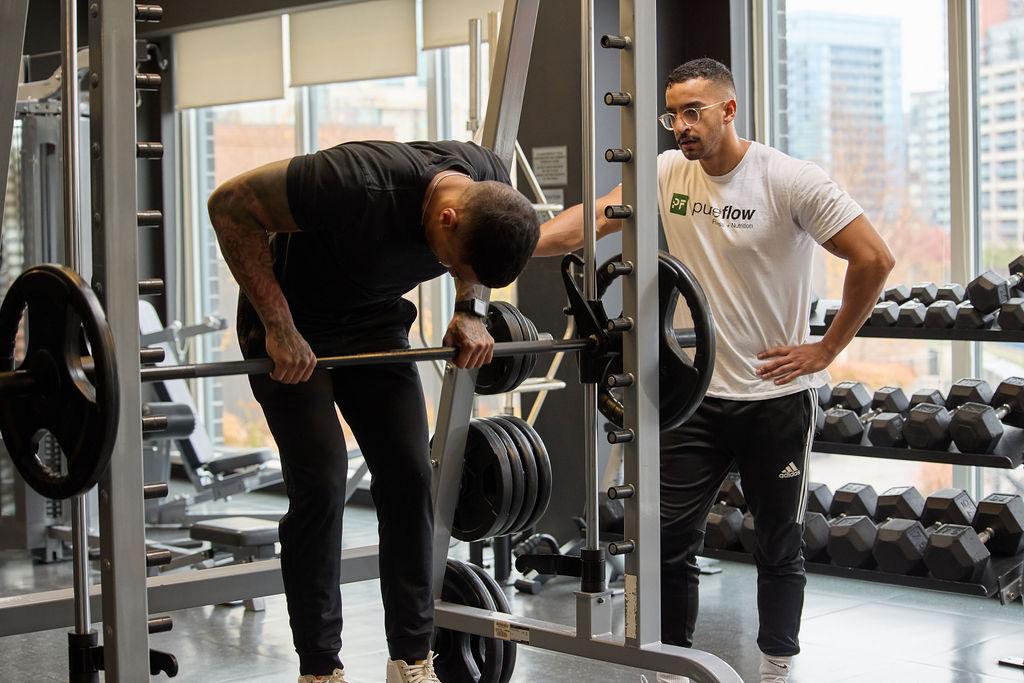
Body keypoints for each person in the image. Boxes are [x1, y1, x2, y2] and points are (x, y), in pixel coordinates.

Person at [535, 58, 894, 682]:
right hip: (696, 397)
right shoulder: (669, 172)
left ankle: (777, 663)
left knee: (778, 544)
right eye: (671, 114)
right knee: (669, 541)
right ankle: (672, 664)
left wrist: (826, 349)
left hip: (775, 396)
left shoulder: (789, 180)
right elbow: (594, 218)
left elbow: (874, 258)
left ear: (729, 110)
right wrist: (511, 242)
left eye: (693, 111)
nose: (680, 126)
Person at [207, 139, 540, 683]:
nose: (453, 269)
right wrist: (278, 327)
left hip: (375, 324)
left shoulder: (486, 179)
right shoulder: (357, 180)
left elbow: (473, 265)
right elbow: (228, 205)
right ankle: (320, 669)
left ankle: (411, 660)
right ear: (448, 217)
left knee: (411, 476)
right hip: (291, 328)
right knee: (321, 483)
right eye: (452, 261)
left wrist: (468, 310)